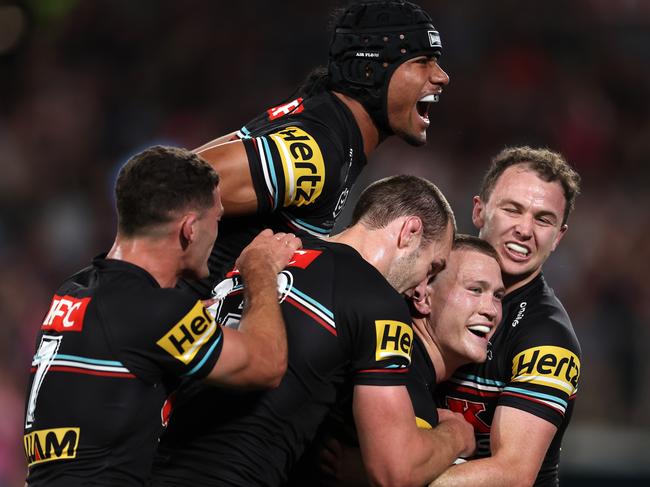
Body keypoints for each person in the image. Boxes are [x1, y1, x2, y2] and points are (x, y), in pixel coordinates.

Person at [152, 175, 473, 487]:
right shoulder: (377, 300)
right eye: (432, 268)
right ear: (409, 231)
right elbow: (395, 471)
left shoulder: (266, 254)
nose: (421, 289)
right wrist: (456, 434)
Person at [22, 146, 301, 486]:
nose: (218, 233)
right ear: (190, 229)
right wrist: (261, 268)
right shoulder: (154, 311)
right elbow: (267, 364)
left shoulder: (74, 290)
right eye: (218, 219)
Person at [178, 0, 450, 298]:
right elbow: (172, 184)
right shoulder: (320, 152)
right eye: (423, 61)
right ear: (370, 69)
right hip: (165, 335)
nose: (441, 76)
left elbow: (184, 166)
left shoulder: (330, 126)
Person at [293, 234, 506, 487]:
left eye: (498, 296)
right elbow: (400, 474)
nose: (491, 310)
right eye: (475, 290)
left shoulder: (411, 366)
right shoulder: (401, 369)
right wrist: (457, 434)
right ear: (423, 296)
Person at [433, 146, 582, 486]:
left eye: (543, 219)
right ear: (479, 211)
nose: (524, 230)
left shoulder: (548, 339)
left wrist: (399, 477)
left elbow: (513, 474)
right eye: (512, 210)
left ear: (558, 237)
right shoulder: (423, 284)